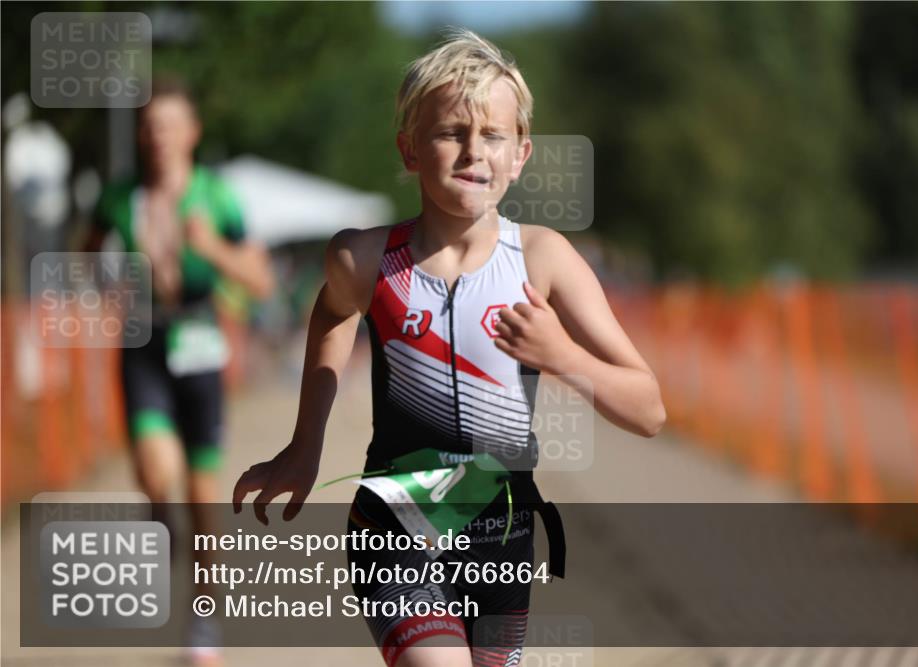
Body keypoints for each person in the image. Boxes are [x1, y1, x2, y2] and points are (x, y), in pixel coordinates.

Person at [233, 29, 664, 667]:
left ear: (521, 154)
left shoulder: (544, 259)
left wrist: (561, 355)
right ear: (409, 149)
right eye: (449, 133)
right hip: (397, 530)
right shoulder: (365, 258)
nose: (473, 152)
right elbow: (330, 312)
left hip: (503, 540)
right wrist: (305, 447)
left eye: (492, 135)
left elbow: (649, 410)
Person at [85, 77, 274, 666]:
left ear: (191, 133)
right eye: (150, 126)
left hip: (200, 343)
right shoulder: (119, 198)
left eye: (170, 125)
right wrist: (109, 283)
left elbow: (261, 280)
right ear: (141, 136)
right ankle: (157, 516)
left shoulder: (217, 197)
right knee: (153, 469)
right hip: (143, 340)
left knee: (203, 499)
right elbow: (88, 250)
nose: (159, 136)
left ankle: (205, 622)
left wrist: (212, 249)